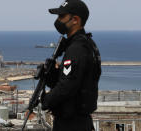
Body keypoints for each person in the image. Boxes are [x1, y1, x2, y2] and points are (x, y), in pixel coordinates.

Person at [40, 0, 101, 131]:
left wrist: (46, 100)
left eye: (62, 16)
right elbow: (76, 80)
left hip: (71, 123)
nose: (58, 20)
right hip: (77, 121)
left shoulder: (77, 49)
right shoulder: (86, 44)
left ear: (75, 20)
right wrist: (52, 75)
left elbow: (67, 86)